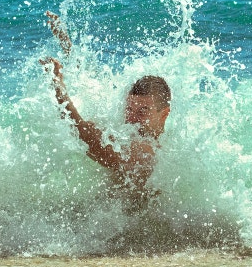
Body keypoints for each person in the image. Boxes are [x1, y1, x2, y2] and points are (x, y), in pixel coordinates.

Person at [40, 11, 172, 213]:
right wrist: (66, 44)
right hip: (112, 215)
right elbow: (86, 81)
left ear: (163, 114)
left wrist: (58, 88)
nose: (132, 119)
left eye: (142, 112)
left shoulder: (149, 152)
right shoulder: (133, 135)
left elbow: (89, 141)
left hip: (136, 227)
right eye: (129, 109)